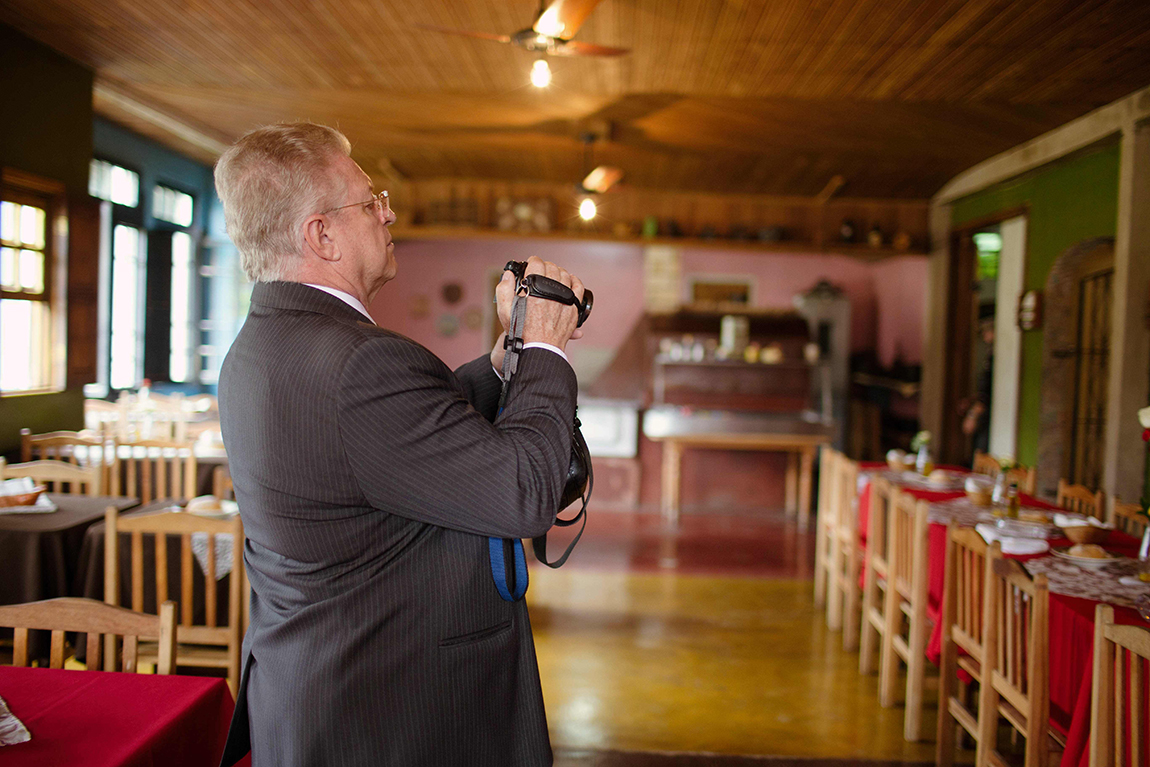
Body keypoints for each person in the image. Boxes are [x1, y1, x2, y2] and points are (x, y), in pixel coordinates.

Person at [213, 122, 584, 767]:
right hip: (391, 710)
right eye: (369, 202)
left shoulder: (261, 344)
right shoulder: (361, 362)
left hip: (320, 685)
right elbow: (523, 494)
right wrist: (547, 347)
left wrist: (505, 363)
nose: (388, 214)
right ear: (321, 235)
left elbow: (396, 443)